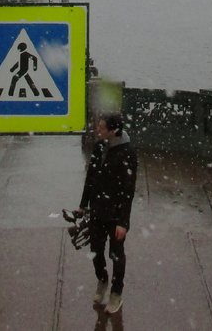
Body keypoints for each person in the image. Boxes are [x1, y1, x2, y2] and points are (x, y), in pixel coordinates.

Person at [78, 112, 138, 315]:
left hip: (115, 213)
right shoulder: (100, 147)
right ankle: (102, 279)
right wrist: (83, 204)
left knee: (116, 254)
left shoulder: (128, 153)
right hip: (97, 209)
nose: (97, 130)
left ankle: (116, 293)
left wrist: (123, 222)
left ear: (113, 131)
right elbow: (91, 177)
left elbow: (128, 190)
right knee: (95, 250)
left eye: (102, 127)